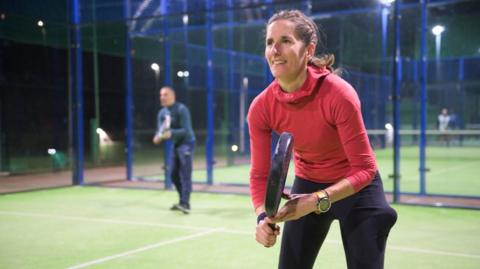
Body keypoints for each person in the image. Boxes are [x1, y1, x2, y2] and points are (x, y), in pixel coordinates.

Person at [247, 10, 397, 269]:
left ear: (309, 49)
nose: (275, 50)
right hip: (307, 182)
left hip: (357, 187)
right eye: (270, 42)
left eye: (286, 40)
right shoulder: (261, 107)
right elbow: (260, 175)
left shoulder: (339, 94)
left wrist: (316, 200)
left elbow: (365, 169)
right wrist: (262, 216)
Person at [153, 86, 196, 214]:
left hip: (187, 143)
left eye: (165, 94)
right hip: (176, 144)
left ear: (173, 96)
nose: (162, 97)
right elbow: (160, 131)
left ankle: (186, 203)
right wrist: (158, 137)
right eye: (161, 95)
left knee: (185, 174)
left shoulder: (182, 109)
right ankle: (181, 200)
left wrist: (171, 133)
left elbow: (186, 131)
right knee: (172, 174)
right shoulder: (162, 113)